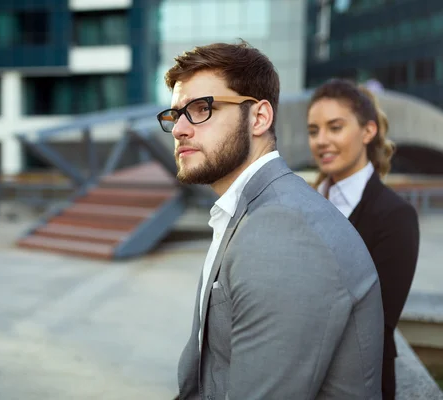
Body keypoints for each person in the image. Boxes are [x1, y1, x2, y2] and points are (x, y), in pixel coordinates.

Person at [157, 40, 384, 400]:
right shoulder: (251, 211)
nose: (181, 129)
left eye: (202, 108)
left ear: (259, 118)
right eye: (175, 115)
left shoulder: (283, 229)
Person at [307, 78, 420, 399]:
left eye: (335, 127)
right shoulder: (305, 203)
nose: (321, 141)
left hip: (358, 383)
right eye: (314, 131)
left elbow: (377, 322)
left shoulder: (395, 216)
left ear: (368, 131)